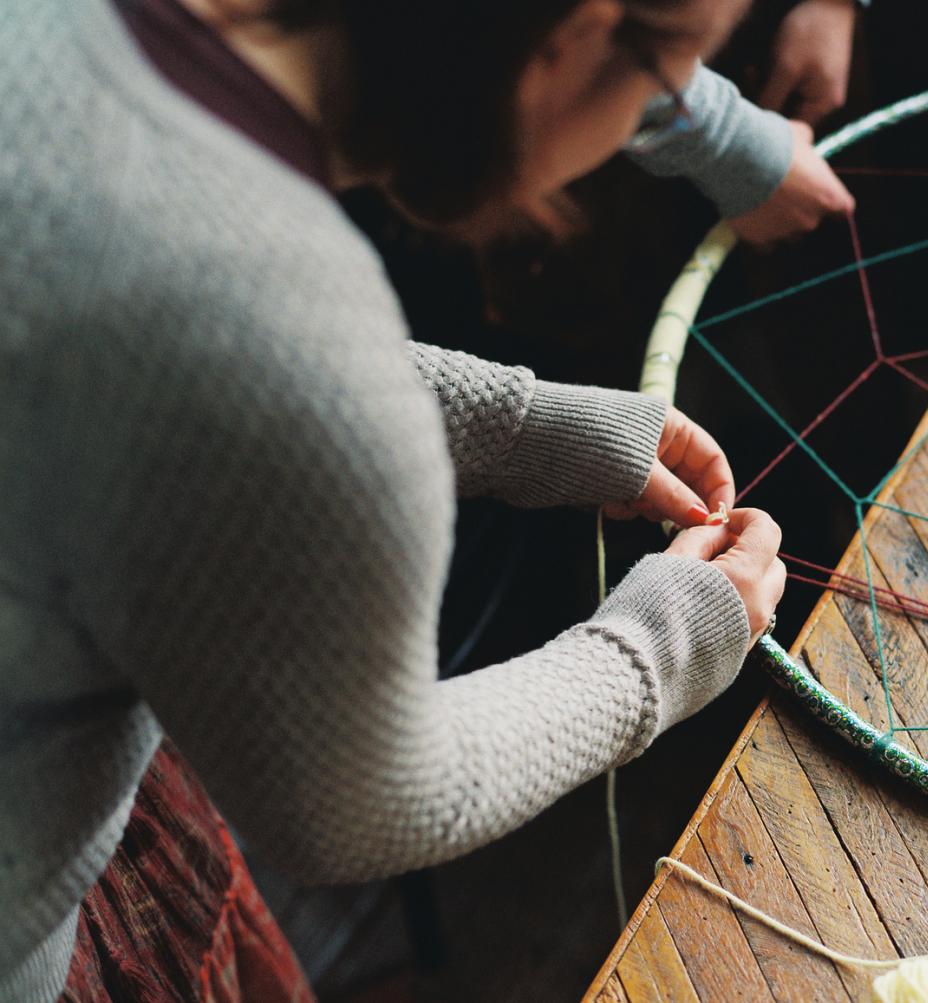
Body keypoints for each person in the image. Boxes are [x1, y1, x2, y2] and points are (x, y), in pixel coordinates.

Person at [0, 0, 806, 999]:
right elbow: (357, 804)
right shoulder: (275, 327)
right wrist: (659, 649)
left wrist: (522, 425)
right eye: (672, 70)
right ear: (569, 37)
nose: (675, 105)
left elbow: (140, 348)